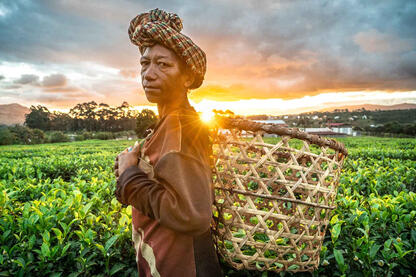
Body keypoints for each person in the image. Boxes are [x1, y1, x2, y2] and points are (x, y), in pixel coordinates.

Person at [113, 8, 223, 277]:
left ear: (187, 77)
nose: (148, 74)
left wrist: (129, 175)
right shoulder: (166, 125)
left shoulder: (184, 127)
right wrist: (130, 173)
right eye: (144, 64)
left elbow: (193, 215)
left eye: (163, 65)